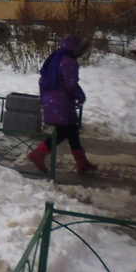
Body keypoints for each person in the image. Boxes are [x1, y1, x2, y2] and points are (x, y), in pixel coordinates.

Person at [28, 35, 98, 173]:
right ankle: (38, 153)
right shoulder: (69, 61)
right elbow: (71, 84)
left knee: (71, 130)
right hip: (62, 102)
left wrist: (44, 99)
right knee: (64, 131)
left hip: (50, 100)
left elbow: (42, 79)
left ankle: (82, 162)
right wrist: (81, 96)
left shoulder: (54, 57)